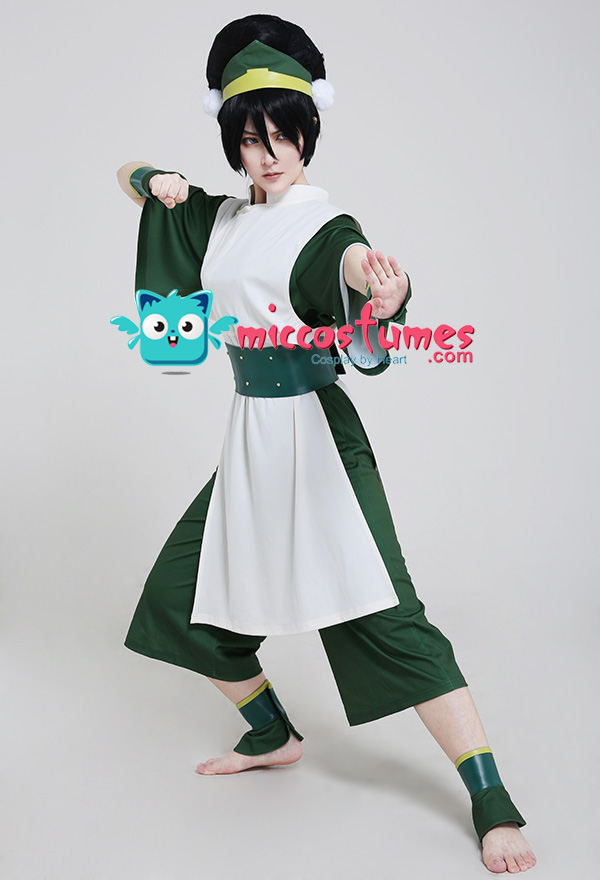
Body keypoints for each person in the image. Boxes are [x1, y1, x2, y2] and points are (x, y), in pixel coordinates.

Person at [117, 13, 536, 874]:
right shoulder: (222, 219)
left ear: (308, 130)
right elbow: (127, 178)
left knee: (387, 614)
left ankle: (491, 798)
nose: (269, 155)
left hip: (315, 435)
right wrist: (157, 178)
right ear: (233, 142)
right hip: (250, 438)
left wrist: (384, 296)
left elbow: (351, 266)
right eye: (251, 139)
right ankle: (273, 734)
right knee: (177, 601)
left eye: (283, 136)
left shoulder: (325, 223)